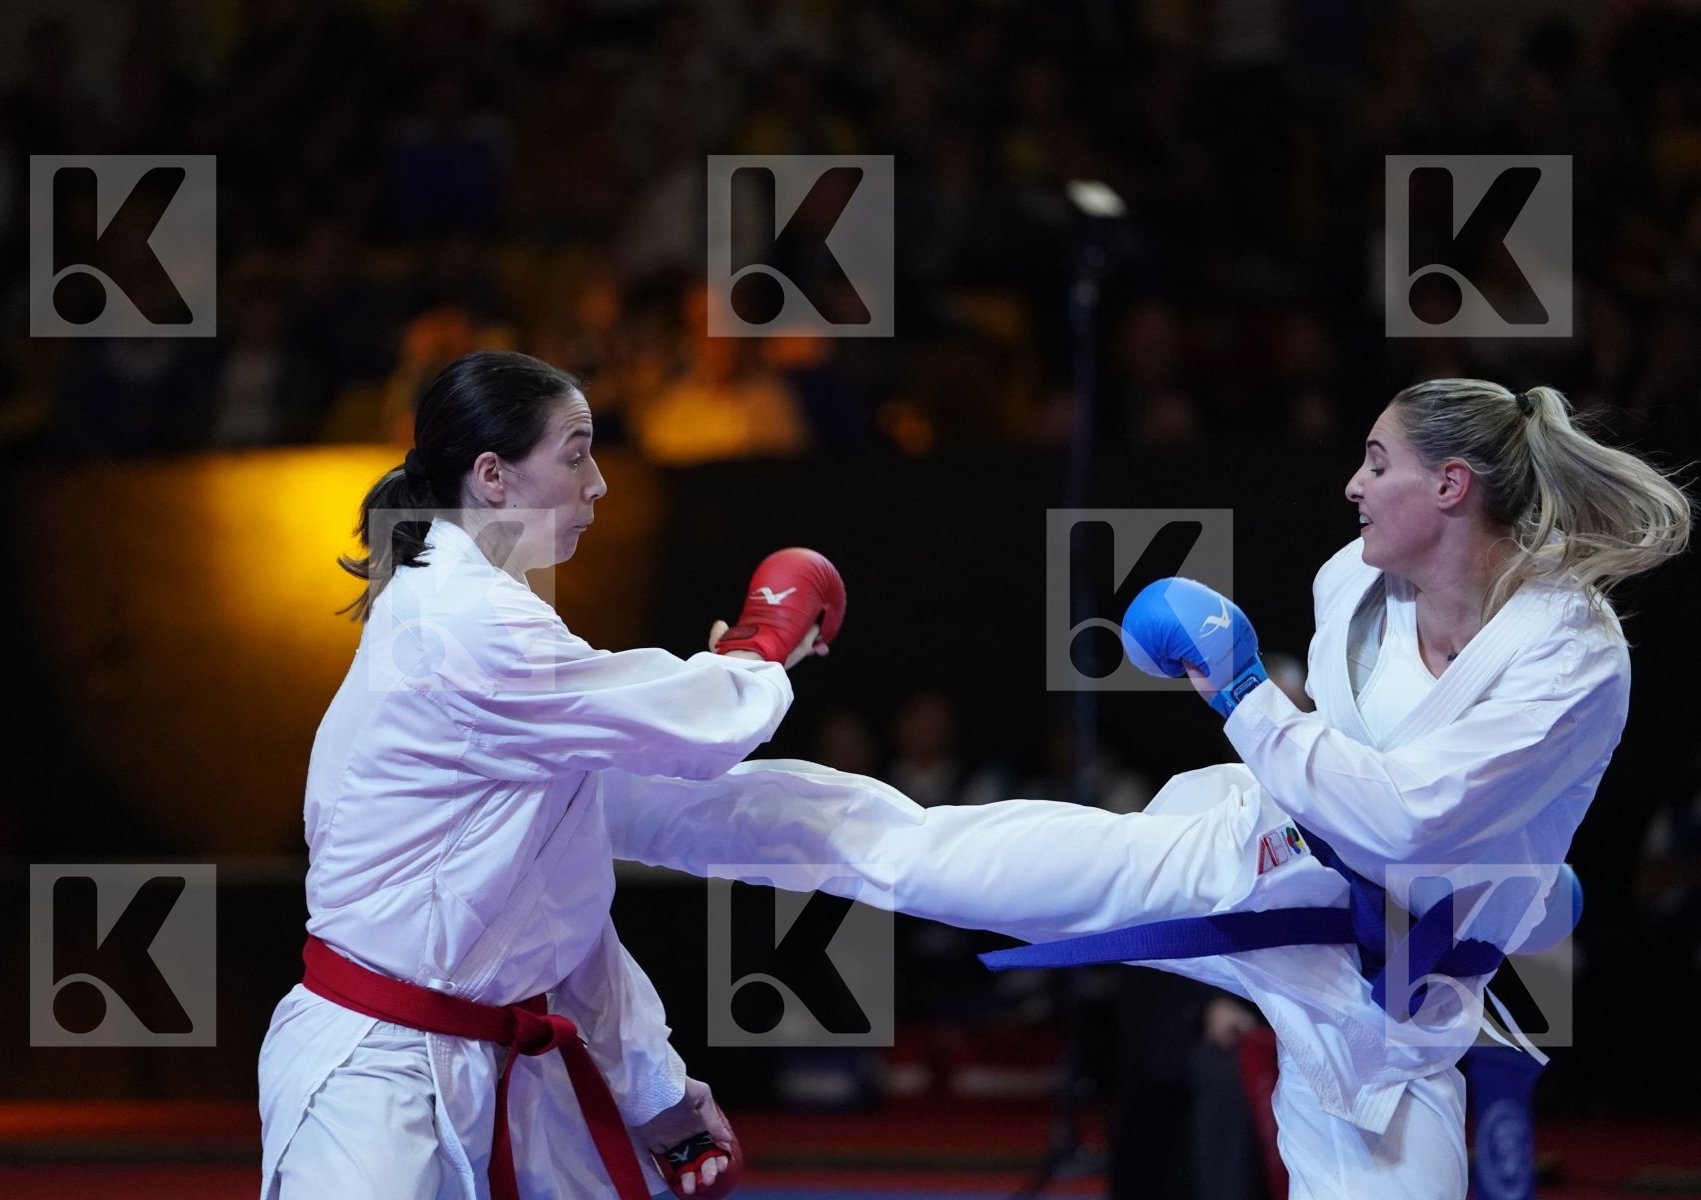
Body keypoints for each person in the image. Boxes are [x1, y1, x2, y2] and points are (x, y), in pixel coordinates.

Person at [606, 379, 1690, 1198]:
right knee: (918, 851)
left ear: (1450, 486)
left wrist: (1244, 695)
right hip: (1247, 860)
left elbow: (1409, 818)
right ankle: (619, 803)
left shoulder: (1570, 652)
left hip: (1389, 1003)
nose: (1352, 486)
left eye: (1377, 462)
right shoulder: (1350, 581)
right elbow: (1341, 766)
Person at [257, 350, 843, 1200]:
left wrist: (657, 1092)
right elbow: (700, 725)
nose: (597, 483)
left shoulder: (473, 611)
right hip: (371, 1072)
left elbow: (565, 910)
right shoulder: (463, 619)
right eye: (575, 455)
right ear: (492, 476)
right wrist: (763, 644)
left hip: (482, 1057)